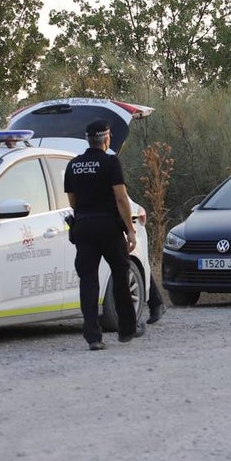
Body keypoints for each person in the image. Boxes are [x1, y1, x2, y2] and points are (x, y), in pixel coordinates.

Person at [64, 119, 140, 350]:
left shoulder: (74, 165)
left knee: (88, 280)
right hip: (108, 226)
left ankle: (93, 336)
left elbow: (72, 200)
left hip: (84, 226)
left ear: (88, 140)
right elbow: (120, 197)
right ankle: (127, 329)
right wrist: (130, 230)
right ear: (106, 139)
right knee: (120, 274)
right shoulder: (110, 163)